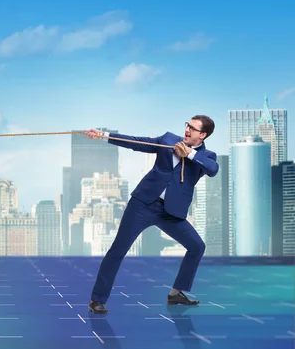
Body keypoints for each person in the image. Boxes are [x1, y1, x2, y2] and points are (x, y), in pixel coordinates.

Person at [83, 115, 219, 314]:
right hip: (143, 204)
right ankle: (97, 300)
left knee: (197, 246)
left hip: (171, 212)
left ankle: (176, 293)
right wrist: (103, 135)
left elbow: (212, 169)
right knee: (117, 250)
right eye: (187, 125)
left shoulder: (207, 156)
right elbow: (136, 142)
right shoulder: (168, 140)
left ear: (203, 135)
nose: (187, 130)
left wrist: (188, 153)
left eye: (193, 128)